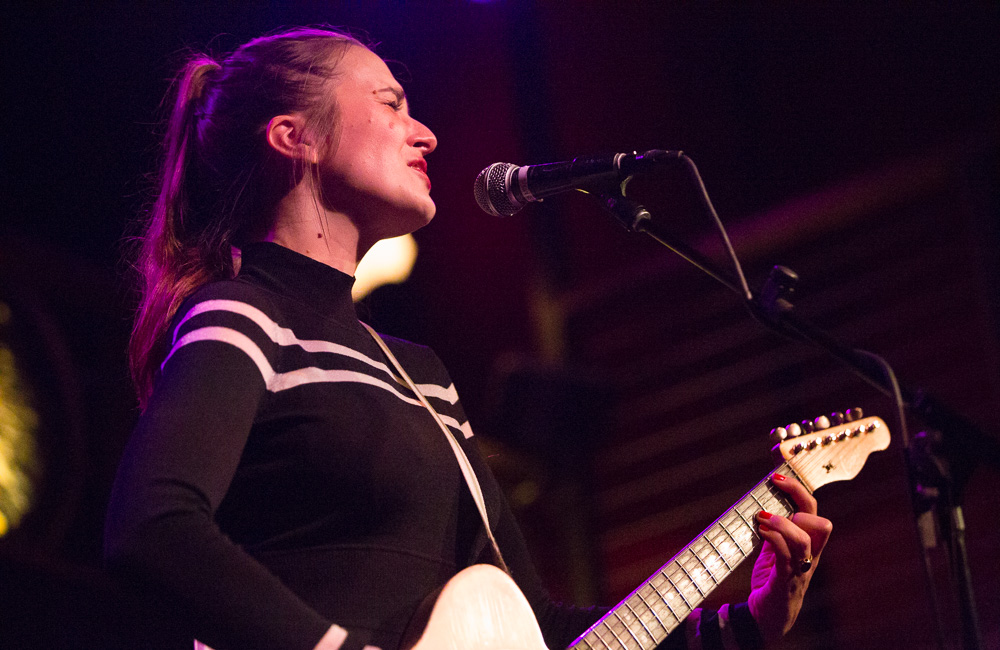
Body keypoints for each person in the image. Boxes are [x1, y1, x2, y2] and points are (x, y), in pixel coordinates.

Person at [104, 26, 833, 650]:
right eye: (390, 104)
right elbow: (154, 524)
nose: (426, 133)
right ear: (294, 137)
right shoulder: (241, 318)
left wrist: (749, 624)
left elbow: (543, 630)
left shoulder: (420, 372)